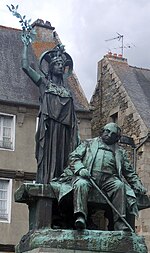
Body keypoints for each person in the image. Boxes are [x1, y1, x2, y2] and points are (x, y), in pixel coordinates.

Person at [51, 122, 147, 231]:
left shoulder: (120, 152)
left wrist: (138, 185)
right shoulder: (88, 143)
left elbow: (129, 172)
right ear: (102, 131)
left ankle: (119, 222)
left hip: (109, 179)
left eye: (113, 134)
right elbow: (73, 157)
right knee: (81, 184)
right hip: (88, 177)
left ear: (117, 138)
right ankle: (80, 216)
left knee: (120, 186)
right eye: (107, 131)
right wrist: (81, 169)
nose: (109, 135)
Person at [22, 40, 79, 183]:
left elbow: (73, 118)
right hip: (49, 129)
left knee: (63, 159)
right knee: (48, 158)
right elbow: (25, 67)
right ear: (51, 68)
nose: (60, 67)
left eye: (62, 65)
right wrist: (25, 45)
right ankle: (46, 182)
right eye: (57, 64)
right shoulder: (44, 84)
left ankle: (62, 182)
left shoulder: (68, 92)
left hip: (65, 132)